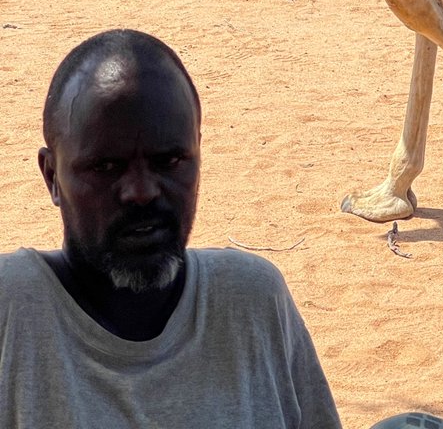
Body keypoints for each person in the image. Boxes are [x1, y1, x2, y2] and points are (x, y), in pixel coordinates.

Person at [0, 29, 343, 428]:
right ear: (52, 176)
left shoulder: (252, 302)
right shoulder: (13, 310)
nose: (142, 192)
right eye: (106, 166)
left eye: (169, 161)